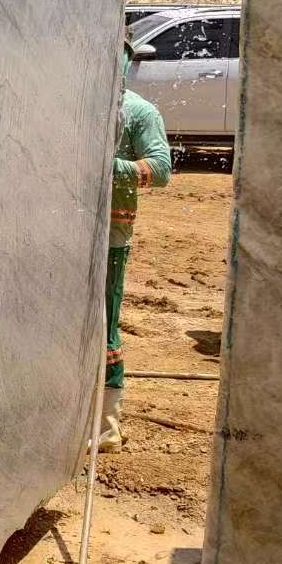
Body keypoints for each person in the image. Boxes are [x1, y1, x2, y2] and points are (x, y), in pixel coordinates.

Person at [101, 42, 172, 451]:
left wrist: (110, 167)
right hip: (67, 235)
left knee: (103, 323)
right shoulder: (78, 105)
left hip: (111, 236)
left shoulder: (139, 112)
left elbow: (161, 169)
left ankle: (107, 425)